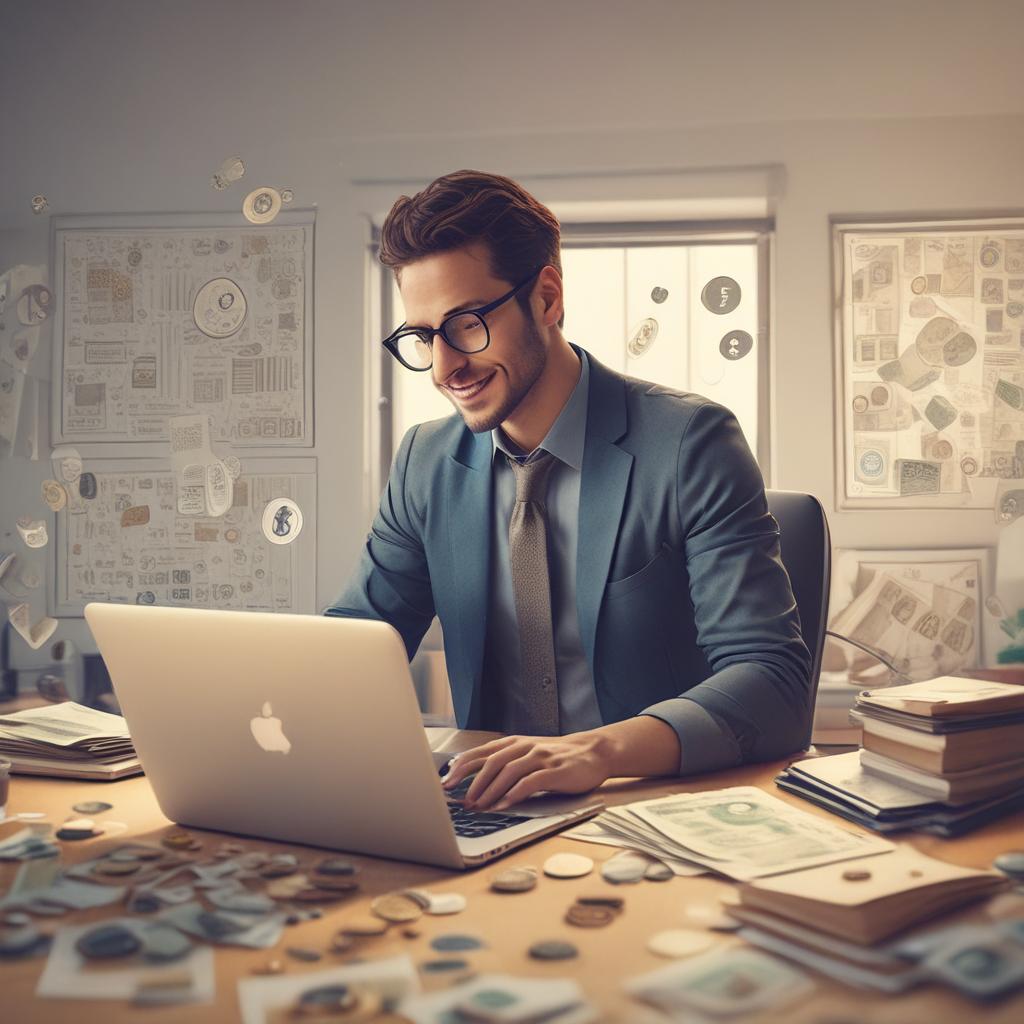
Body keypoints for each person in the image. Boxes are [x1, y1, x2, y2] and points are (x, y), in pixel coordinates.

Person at [327, 170, 812, 812]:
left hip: (649, 806)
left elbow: (772, 682)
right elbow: (358, 647)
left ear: (547, 298)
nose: (444, 367)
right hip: (488, 808)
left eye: (466, 324)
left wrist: (598, 752)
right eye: (422, 336)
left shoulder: (691, 443)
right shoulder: (425, 462)